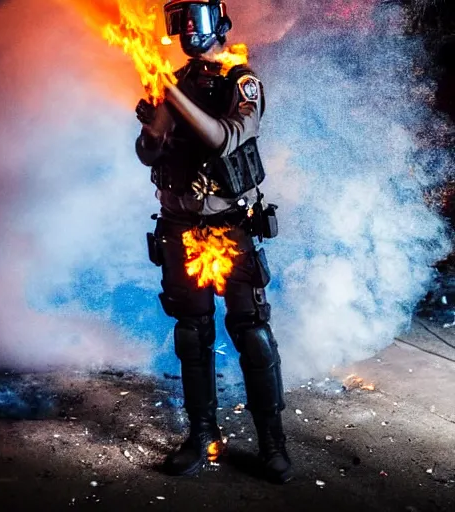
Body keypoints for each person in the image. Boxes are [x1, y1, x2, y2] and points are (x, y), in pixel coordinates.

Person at [135, 0, 292, 484]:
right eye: (179, 19)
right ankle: (201, 436)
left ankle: (272, 444)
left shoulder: (241, 82)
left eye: (196, 18)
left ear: (220, 22)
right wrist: (153, 126)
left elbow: (225, 138)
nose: (186, 30)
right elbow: (146, 151)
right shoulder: (176, 83)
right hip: (181, 228)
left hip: (230, 229)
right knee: (191, 334)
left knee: (252, 334)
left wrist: (171, 97)